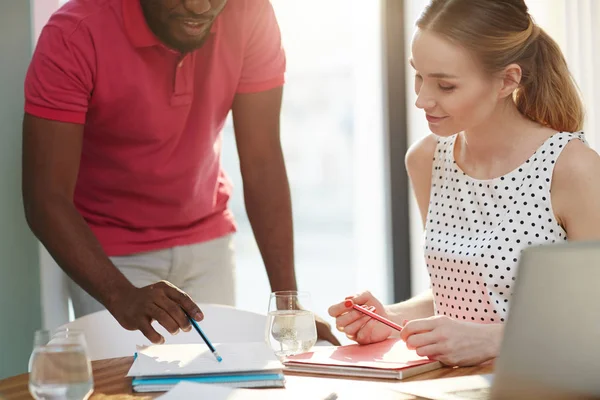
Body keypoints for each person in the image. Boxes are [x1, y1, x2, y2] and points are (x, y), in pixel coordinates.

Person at [23, 0, 338, 345]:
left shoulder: (250, 11)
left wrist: (287, 304)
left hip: (207, 241)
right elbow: (46, 198)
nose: (199, 6)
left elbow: (262, 161)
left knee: (215, 387)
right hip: (110, 253)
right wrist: (119, 294)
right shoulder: (74, 33)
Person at [329, 0, 600, 366]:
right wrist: (393, 318)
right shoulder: (426, 159)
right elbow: (464, 293)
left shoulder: (571, 168)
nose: (422, 98)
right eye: (418, 75)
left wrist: (496, 342)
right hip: (451, 387)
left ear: (508, 80)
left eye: (445, 85)